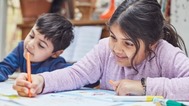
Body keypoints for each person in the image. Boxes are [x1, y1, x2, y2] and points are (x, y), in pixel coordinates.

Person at [13, 0, 189, 101]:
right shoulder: (105, 48)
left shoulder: (163, 53)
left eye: (128, 44)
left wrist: (143, 87)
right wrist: (41, 81)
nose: (117, 49)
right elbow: (75, 74)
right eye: (113, 37)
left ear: (151, 44)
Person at [0, 13, 74, 82]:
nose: (30, 44)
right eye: (31, 36)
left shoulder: (56, 65)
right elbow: (4, 67)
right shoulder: (21, 49)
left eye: (41, 45)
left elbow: (78, 75)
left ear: (55, 53)